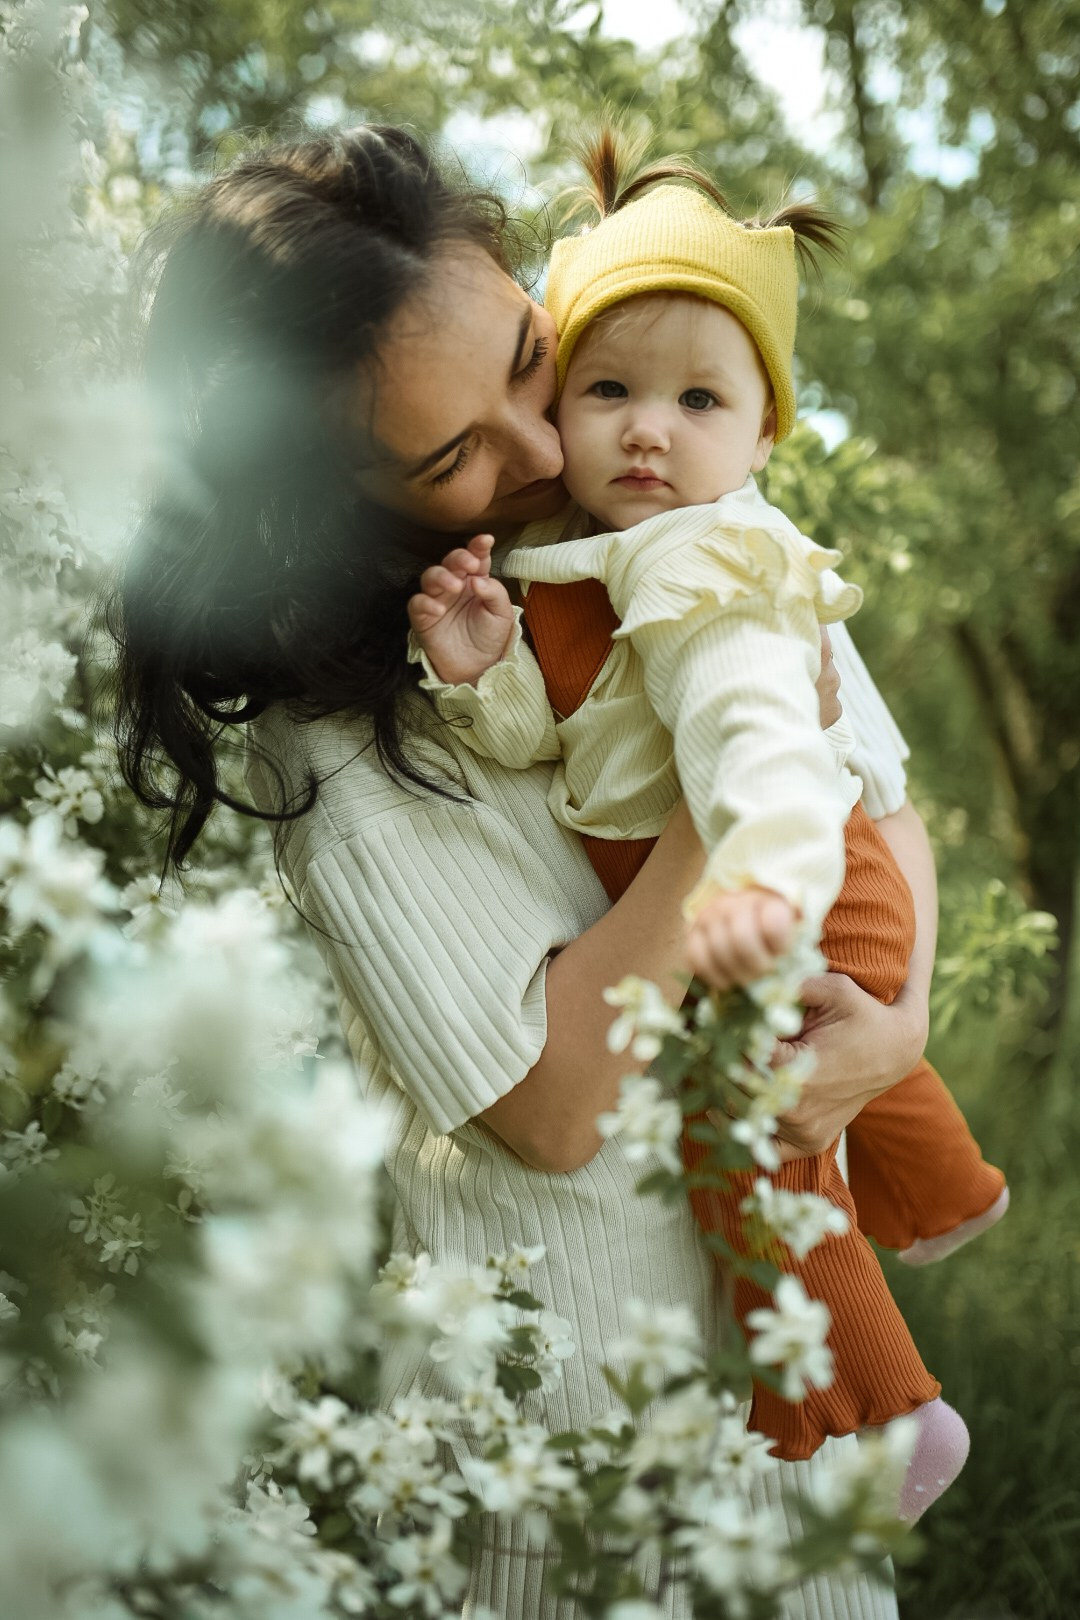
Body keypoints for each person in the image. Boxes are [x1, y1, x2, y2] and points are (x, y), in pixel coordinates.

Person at [109, 124, 933, 1617]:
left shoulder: (689, 519)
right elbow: (553, 1112)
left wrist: (907, 1018)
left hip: (788, 1421)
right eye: (451, 455)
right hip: (572, 1453)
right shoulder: (335, 738)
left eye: (529, 361)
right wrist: (719, 820)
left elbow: (885, 795)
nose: (544, 451)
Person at [406, 142, 1006, 1511]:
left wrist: (763, 875)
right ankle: (950, 1189)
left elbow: (760, 743)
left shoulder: (709, 564)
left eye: (697, 398)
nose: (646, 430)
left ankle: (887, 1411)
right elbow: (549, 744)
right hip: (802, 875)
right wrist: (474, 674)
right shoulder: (593, 562)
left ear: (762, 436)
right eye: (607, 389)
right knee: (848, 1059)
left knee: (750, 1141)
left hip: (786, 874)